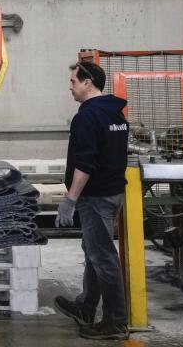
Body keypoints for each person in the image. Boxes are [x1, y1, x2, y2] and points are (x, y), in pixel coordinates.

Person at [54, 61, 130, 340]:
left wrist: (70, 199)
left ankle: (115, 322)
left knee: (103, 258)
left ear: (88, 82)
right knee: (94, 252)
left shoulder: (87, 116)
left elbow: (85, 163)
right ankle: (86, 307)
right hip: (112, 192)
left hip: (96, 197)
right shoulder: (114, 114)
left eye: (74, 81)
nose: (70, 86)